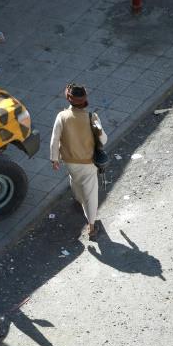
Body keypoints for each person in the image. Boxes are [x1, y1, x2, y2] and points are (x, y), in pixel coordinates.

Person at [49, 84, 108, 240]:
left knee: (74, 179)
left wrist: (54, 158)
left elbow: (54, 140)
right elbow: (104, 139)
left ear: (69, 98)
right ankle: (92, 225)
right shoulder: (92, 117)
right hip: (88, 162)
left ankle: (78, 199)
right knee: (91, 193)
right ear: (84, 100)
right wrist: (99, 130)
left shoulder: (62, 116)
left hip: (69, 161)